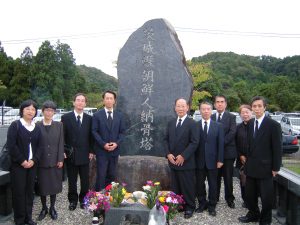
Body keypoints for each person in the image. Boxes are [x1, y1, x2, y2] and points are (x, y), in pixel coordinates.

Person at [238, 96, 282, 225]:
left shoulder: (273, 125)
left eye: (259, 106)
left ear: (264, 107)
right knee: (250, 195)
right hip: (251, 166)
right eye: (254, 106)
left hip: (266, 167)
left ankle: (265, 219)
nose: (256, 108)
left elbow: (277, 148)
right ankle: (253, 214)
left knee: (266, 197)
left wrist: (276, 167)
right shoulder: (251, 123)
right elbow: (250, 145)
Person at [7, 99, 42, 225]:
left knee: (29, 192)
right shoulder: (15, 125)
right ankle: (20, 219)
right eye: (27, 108)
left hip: (32, 165)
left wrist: (33, 160)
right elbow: (12, 146)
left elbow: (40, 147)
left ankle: (28, 217)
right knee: (19, 193)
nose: (30, 111)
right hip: (18, 166)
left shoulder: (36, 127)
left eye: (33, 109)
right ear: (22, 110)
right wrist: (22, 161)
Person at [164, 98, 199, 219]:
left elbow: (194, 142)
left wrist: (183, 155)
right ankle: (178, 205)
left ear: (187, 107)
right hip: (172, 160)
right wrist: (168, 154)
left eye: (183, 106)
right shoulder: (171, 122)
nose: (180, 108)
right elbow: (166, 140)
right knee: (176, 185)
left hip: (186, 161)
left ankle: (189, 207)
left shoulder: (192, 123)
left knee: (187, 185)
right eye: (178, 106)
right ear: (175, 108)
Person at [61, 93, 94, 210]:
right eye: (78, 100)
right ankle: (73, 200)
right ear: (73, 102)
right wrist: (63, 151)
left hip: (85, 153)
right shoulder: (66, 118)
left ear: (85, 103)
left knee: (85, 180)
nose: (80, 102)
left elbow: (91, 136)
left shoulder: (90, 119)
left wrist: (91, 151)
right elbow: (62, 136)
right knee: (72, 180)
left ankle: (83, 199)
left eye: (82, 101)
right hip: (71, 154)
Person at [92, 90, 125, 191]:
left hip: (114, 151)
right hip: (102, 151)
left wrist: (116, 143)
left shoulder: (120, 115)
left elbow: (122, 132)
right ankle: (100, 199)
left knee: (112, 175)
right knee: (101, 175)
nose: (109, 100)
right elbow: (94, 131)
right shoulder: (97, 115)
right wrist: (103, 144)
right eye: (107, 98)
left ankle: (110, 198)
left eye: (111, 98)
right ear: (103, 100)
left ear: (114, 101)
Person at [36, 101, 64, 221]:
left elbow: (61, 143)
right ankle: (44, 208)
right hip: (41, 161)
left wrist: (60, 159)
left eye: (51, 110)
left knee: (54, 185)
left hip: (54, 161)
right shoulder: (36, 125)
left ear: (54, 112)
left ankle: (52, 207)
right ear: (43, 111)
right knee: (42, 186)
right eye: (47, 110)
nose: (49, 112)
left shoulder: (59, 125)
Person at [195, 101, 224, 217]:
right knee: (199, 184)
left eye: (208, 109)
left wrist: (220, 160)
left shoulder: (218, 126)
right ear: (200, 111)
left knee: (213, 184)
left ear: (211, 111)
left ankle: (212, 205)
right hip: (199, 161)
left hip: (213, 161)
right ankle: (202, 203)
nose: (206, 111)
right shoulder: (195, 125)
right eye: (203, 109)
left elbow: (221, 144)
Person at [211, 95, 236, 208]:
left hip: (227, 153)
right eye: (217, 102)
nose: (219, 104)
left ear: (225, 104)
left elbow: (232, 133)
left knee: (228, 177)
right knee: (215, 177)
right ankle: (214, 198)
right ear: (214, 104)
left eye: (222, 102)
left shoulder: (231, 117)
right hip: (214, 154)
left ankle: (229, 198)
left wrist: (220, 144)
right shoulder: (211, 117)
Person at [235, 104, 252, 208]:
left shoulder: (255, 125)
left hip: (254, 159)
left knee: (253, 182)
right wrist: (240, 155)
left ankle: (253, 201)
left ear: (251, 112)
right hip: (242, 159)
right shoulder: (238, 128)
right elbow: (235, 144)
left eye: (247, 112)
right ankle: (245, 200)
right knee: (243, 181)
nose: (245, 114)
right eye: (243, 113)